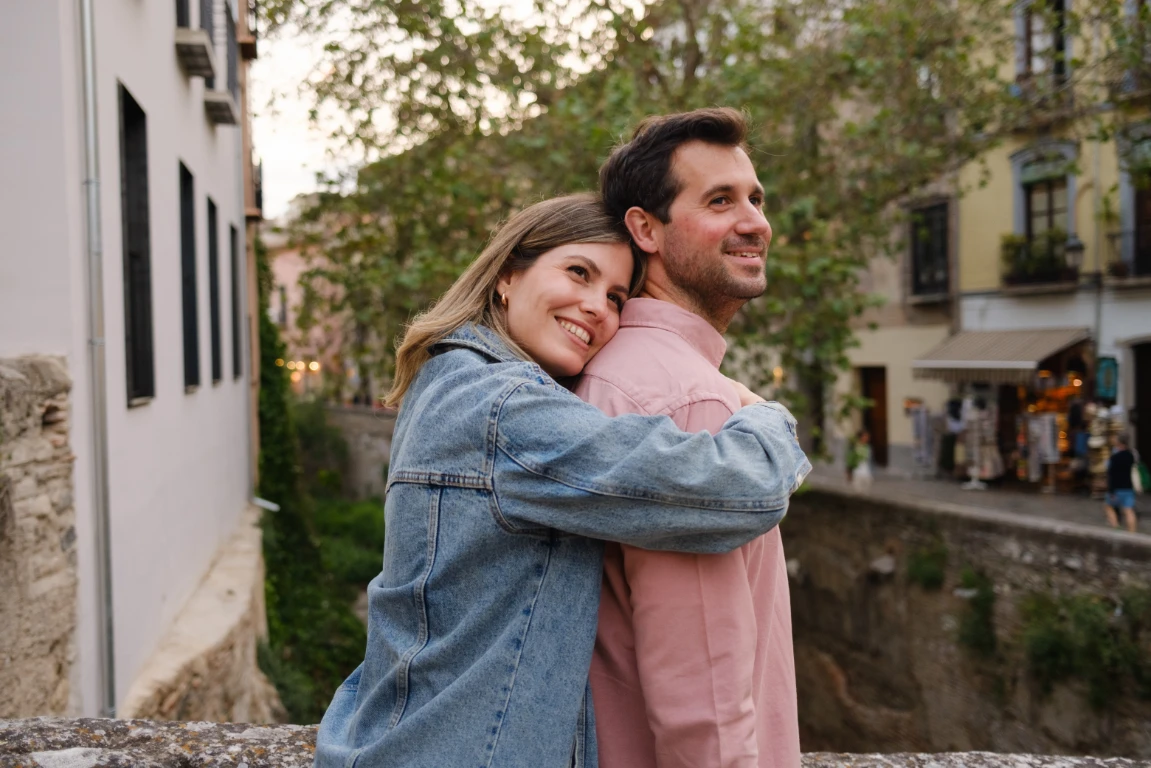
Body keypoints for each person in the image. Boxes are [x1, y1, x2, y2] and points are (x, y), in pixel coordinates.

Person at [313, 193, 812, 768]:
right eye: (578, 272)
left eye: (617, 297)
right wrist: (767, 417)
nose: (597, 307)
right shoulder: (503, 411)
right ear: (507, 275)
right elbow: (731, 491)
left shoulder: (450, 376)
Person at [578, 107, 800, 768]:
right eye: (719, 201)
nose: (754, 222)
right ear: (645, 229)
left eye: (756, 198)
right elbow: (703, 705)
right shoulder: (685, 400)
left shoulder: (616, 369)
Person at [1105, 432, 1138, 533]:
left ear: (1119, 443)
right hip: (1128, 487)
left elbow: (1111, 474)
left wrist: (1111, 490)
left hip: (1116, 488)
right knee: (1129, 511)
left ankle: (1116, 528)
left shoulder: (1114, 458)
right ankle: (1132, 533)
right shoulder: (1131, 456)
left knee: (1108, 507)